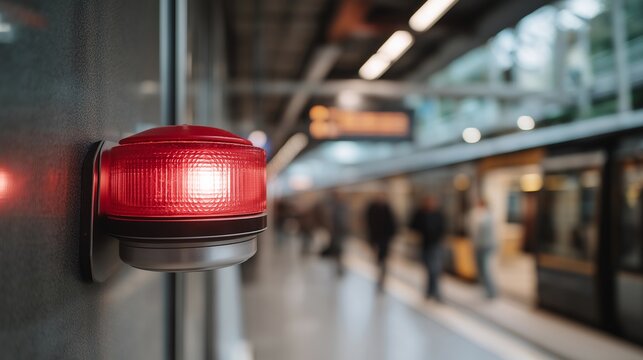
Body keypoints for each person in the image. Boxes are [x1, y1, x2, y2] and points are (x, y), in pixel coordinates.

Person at [410, 196, 446, 301]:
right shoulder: (420, 214)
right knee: (429, 269)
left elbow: (443, 228)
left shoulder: (438, 214)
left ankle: (434, 292)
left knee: (435, 269)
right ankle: (430, 291)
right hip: (424, 244)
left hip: (435, 245)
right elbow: (413, 226)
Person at [365, 193, 397, 291]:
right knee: (378, 259)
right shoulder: (372, 209)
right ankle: (379, 275)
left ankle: (382, 277)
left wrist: (391, 236)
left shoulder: (387, 209)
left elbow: (393, 223)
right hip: (375, 238)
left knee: (383, 259)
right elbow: (369, 223)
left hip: (385, 238)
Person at [469, 199, 497, 299]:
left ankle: (491, 291)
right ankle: (485, 289)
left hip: (485, 246)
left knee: (485, 269)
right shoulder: (478, 216)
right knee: (480, 269)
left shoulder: (487, 216)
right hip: (479, 246)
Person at [321, 191, 349, 275]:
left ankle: (339, 265)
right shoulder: (334, 207)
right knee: (338, 249)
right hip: (336, 232)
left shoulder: (339, 207)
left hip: (340, 232)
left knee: (339, 249)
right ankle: (339, 265)